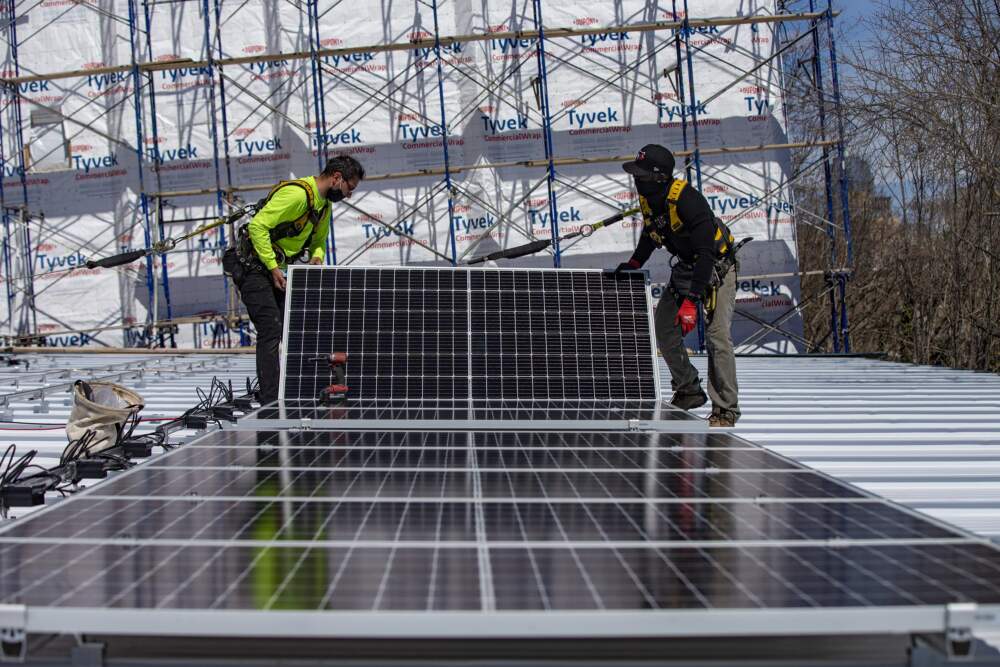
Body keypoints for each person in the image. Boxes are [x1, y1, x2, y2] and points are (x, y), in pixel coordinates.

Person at [614, 144, 741, 427]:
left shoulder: (687, 200)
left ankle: (726, 410)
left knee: (718, 336)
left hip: (717, 268)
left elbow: (707, 253)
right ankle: (688, 390)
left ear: (658, 177)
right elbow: (651, 234)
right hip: (687, 268)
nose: (636, 180)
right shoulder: (650, 201)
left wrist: (691, 300)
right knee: (663, 327)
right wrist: (635, 262)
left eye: (641, 175)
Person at [222, 155, 365, 404]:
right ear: (336, 178)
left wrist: (317, 259)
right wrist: (274, 267)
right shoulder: (298, 195)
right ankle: (270, 401)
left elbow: (319, 241)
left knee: (292, 325)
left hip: (273, 268)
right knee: (271, 328)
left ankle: (291, 387)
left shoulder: (324, 206)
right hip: (253, 267)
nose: (349, 195)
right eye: (348, 188)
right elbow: (257, 227)